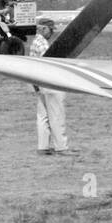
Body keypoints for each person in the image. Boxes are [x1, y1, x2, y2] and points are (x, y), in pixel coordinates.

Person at [28, 18, 68, 154]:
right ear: (44, 29)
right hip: (50, 82)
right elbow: (51, 63)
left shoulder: (34, 43)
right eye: (51, 30)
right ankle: (61, 147)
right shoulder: (43, 44)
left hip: (39, 83)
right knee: (56, 115)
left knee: (42, 116)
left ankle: (43, 147)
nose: (51, 33)